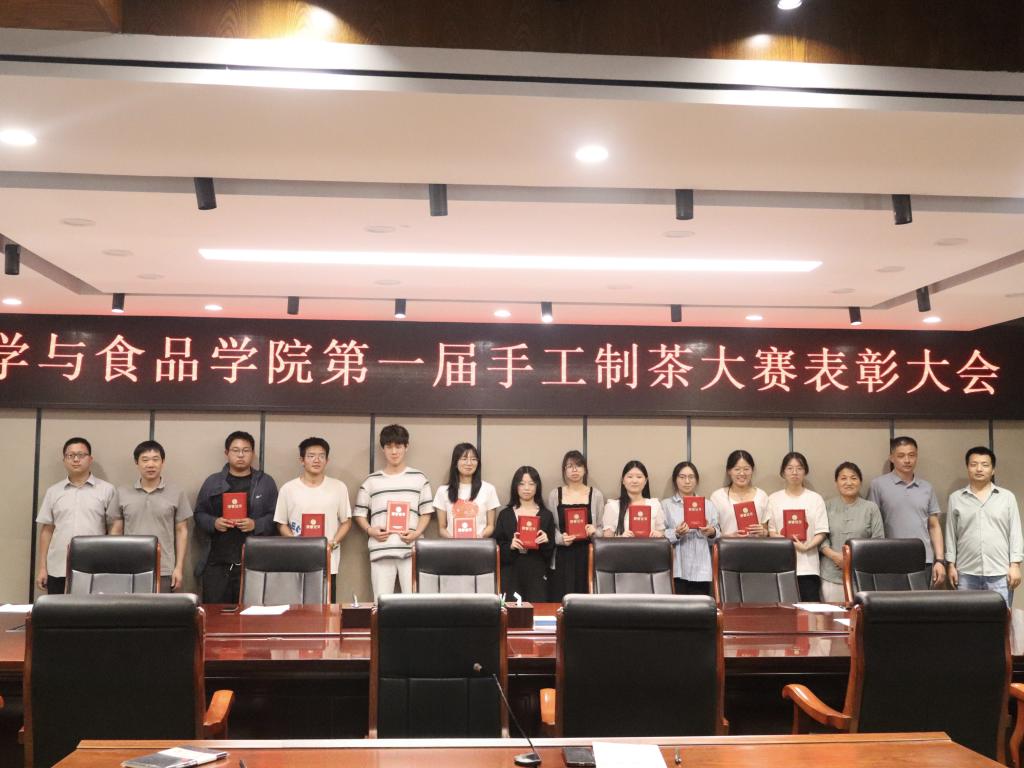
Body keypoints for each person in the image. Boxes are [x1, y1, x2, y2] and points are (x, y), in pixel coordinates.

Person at [194, 430, 279, 604]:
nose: (241, 455)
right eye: (235, 450)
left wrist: (255, 524)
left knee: (251, 614)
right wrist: (214, 522)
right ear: (227, 453)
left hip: (254, 562)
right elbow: (199, 514)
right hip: (217, 562)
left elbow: (276, 518)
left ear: (253, 454)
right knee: (215, 614)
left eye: (246, 450)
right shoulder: (213, 482)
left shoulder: (265, 482)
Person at [353, 424, 433, 597]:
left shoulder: (419, 478)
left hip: (411, 549)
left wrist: (417, 532)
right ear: (383, 449)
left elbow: (426, 512)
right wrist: (370, 530)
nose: (394, 451)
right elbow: (359, 513)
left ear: (406, 447)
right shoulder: (371, 480)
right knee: (381, 603)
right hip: (381, 549)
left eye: (398, 446)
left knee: (414, 603)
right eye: (389, 446)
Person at [35, 437, 121, 595]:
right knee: (58, 610)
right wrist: (42, 568)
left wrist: (109, 562)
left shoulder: (107, 490)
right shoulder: (53, 492)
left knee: (92, 610)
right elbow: (47, 530)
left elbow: (114, 527)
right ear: (64, 460)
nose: (76, 459)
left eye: (81, 455)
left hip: (95, 567)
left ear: (90, 459)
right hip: (58, 568)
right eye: (70, 455)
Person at [274, 436, 353, 601]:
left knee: (327, 606)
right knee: (297, 607)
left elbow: (346, 522)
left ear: (327, 460)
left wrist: (333, 542)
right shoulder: (288, 489)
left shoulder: (338, 487)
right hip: (297, 558)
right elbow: (281, 523)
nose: (317, 460)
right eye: (311, 456)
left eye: (321, 456)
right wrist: (296, 544)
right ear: (302, 460)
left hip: (328, 559)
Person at [946, 446, 1022, 608]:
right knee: (967, 618)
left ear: (993, 470)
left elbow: (1015, 533)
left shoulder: (1007, 497)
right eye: (974, 464)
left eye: (985, 465)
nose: (979, 469)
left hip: (1000, 573)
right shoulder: (956, 498)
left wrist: (1015, 565)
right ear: (967, 467)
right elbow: (951, 534)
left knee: (1001, 620)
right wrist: (951, 565)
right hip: (966, 573)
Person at [868, 436, 946, 586]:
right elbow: (872, 524)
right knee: (891, 601)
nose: (907, 460)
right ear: (892, 458)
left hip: (923, 559)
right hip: (889, 559)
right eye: (901, 456)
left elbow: (934, 526)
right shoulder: (878, 485)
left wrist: (940, 560)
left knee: (921, 601)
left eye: (912, 455)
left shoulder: (927, 487)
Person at [118, 440, 193, 593]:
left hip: (164, 569)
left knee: (163, 608)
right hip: (130, 569)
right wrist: (117, 567)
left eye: (155, 459)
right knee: (130, 608)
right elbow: (116, 531)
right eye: (145, 460)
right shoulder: (122, 492)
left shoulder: (176, 492)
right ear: (137, 463)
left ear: (162, 462)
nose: (150, 464)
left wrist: (178, 568)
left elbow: (182, 531)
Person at [767, 452, 829, 602]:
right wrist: (788, 542)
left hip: (808, 566)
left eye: (799, 468)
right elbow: (771, 531)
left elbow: (822, 531)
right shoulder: (773, 498)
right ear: (783, 472)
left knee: (810, 611)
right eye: (790, 468)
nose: (794, 472)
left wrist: (807, 546)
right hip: (781, 565)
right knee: (783, 611)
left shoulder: (815, 498)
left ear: (805, 471)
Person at [819, 461, 884, 603]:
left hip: (862, 575)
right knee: (832, 614)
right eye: (843, 478)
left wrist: (851, 560)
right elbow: (821, 536)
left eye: (853, 478)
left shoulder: (871, 508)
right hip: (831, 574)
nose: (849, 482)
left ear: (860, 482)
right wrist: (835, 556)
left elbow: (878, 541)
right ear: (836, 482)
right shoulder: (826, 506)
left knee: (861, 615)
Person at [547, 450, 605, 601]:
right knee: (561, 598)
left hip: (587, 554)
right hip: (562, 554)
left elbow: (603, 529)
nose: (574, 470)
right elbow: (549, 527)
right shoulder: (555, 494)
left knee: (585, 599)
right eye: (570, 466)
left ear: (585, 469)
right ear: (564, 470)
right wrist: (560, 539)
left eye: (578, 466)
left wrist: (594, 531)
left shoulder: (596, 495)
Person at [493, 465, 556, 602]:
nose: (527, 488)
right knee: (511, 611)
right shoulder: (505, 515)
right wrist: (510, 546)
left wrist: (545, 541)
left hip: (536, 572)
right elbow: (497, 546)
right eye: (522, 484)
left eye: (531, 484)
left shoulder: (546, 515)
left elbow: (550, 552)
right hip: (511, 572)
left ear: (537, 486)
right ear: (515, 487)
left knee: (537, 610)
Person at [662, 461, 720, 596]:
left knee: (700, 607)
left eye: (691, 477)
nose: (687, 481)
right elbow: (660, 535)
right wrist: (676, 533)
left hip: (702, 569)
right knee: (677, 608)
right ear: (675, 480)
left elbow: (717, 535)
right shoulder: (665, 505)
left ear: (697, 480)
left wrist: (711, 532)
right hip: (677, 568)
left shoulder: (708, 505)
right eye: (682, 477)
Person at [433, 442, 500, 539]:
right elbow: (442, 528)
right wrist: (453, 539)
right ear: (455, 463)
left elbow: (490, 526)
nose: (469, 463)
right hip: (452, 545)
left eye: (473, 459)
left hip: (479, 545)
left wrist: (479, 537)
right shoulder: (443, 491)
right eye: (464, 459)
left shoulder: (489, 489)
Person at [709, 450, 771, 537]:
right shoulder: (718, 496)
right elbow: (712, 532)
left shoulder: (761, 495)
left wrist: (764, 532)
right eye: (737, 469)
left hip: (757, 545)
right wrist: (729, 536)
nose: (742, 473)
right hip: (728, 545)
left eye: (746, 469)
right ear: (729, 471)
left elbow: (766, 530)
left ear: (752, 470)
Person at [602, 460, 667, 537]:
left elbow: (661, 532)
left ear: (645, 481)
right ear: (623, 481)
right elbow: (607, 538)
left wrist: (659, 534)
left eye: (639, 477)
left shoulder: (654, 505)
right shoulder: (613, 506)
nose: (634, 481)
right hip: (622, 545)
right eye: (630, 477)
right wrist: (621, 538)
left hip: (650, 545)